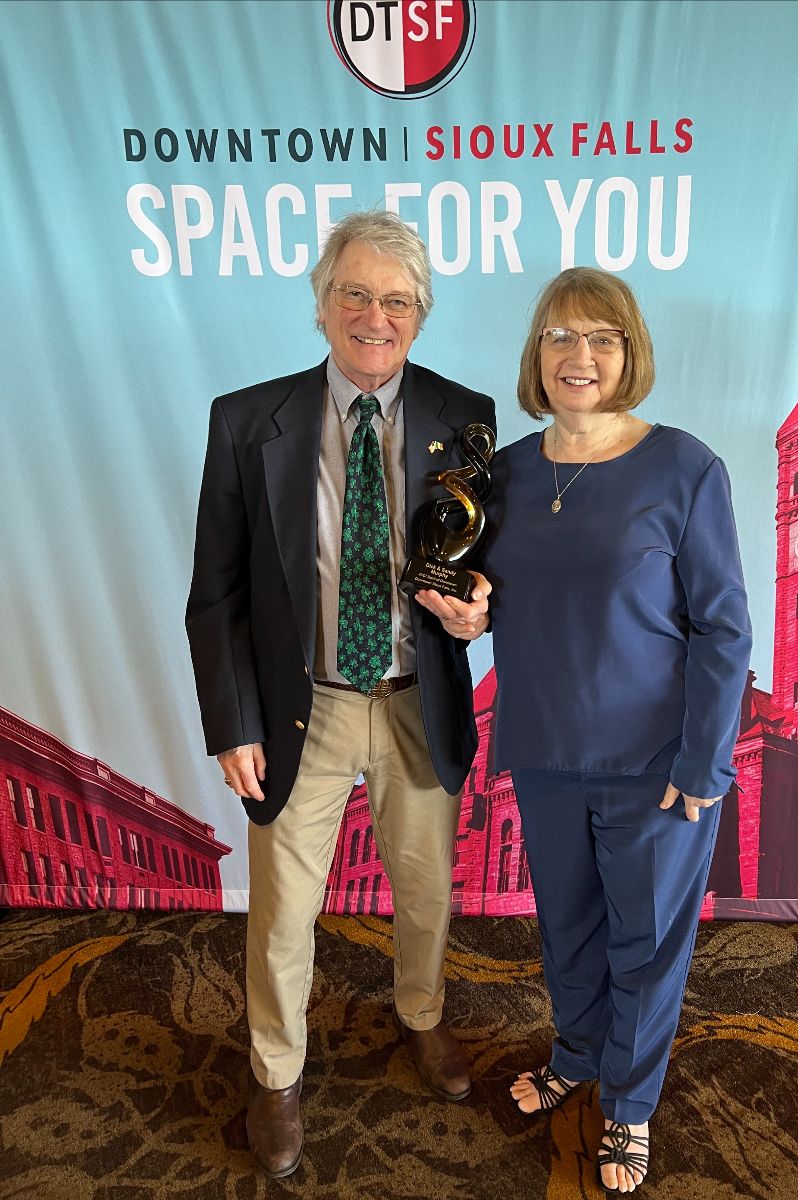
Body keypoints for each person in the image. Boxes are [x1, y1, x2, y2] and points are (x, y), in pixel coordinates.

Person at [418, 267, 752, 1194]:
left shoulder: (685, 468)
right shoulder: (507, 474)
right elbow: (488, 596)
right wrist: (467, 617)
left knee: (646, 943)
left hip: (657, 763)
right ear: (537, 354)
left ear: (628, 353)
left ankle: (630, 1104)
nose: (580, 355)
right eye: (561, 336)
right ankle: (576, 1054)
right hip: (544, 749)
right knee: (566, 929)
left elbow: (725, 628)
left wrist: (705, 762)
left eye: (602, 337)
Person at [185, 210, 495, 1179]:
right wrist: (231, 722)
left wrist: (481, 613)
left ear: (421, 316)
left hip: (416, 700)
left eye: (397, 301)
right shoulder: (248, 421)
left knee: (426, 892)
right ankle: (276, 1070)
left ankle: (422, 1013)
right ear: (322, 305)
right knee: (283, 911)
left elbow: (492, 567)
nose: (375, 317)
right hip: (301, 708)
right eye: (354, 294)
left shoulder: (466, 416)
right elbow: (216, 591)